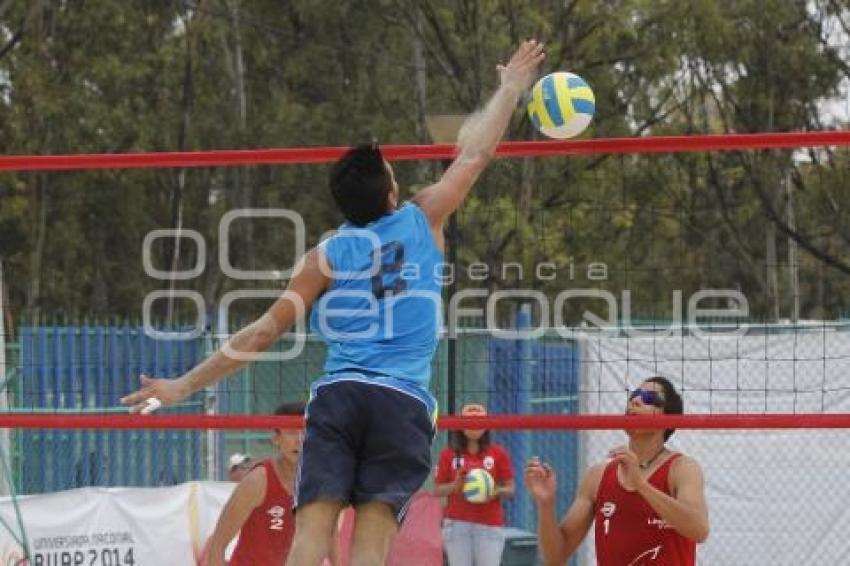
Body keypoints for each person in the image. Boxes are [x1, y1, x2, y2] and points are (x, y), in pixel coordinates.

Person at [121, 39, 545, 566]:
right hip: (401, 401)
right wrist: (508, 89)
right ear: (390, 193)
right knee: (370, 542)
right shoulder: (421, 215)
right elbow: (476, 154)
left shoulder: (323, 255)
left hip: (341, 395)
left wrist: (183, 384)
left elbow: (260, 334)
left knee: (312, 535)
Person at [524, 376, 710, 566]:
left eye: (649, 399)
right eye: (634, 396)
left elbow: (699, 529)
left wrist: (641, 486)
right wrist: (546, 504)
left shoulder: (682, 469)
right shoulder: (598, 476)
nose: (635, 401)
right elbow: (556, 557)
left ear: (668, 420)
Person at [204, 402, 305, 566]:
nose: (299, 440)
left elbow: (331, 539)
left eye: (305, 432)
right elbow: (218, 545)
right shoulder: (257, 481)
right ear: (276, 438)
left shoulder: (320, 482)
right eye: (292, 432)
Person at [434, 403, 515, 566]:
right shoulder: (448, 454)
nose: (474, 425)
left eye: (478, 420)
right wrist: (455, 486)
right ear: (460, 425)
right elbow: (437, 490)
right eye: (469, 419)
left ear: (487, 425)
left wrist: (494, 491)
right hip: (457, 525)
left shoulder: (498, 453)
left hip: (489, 524)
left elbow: (510, 489)